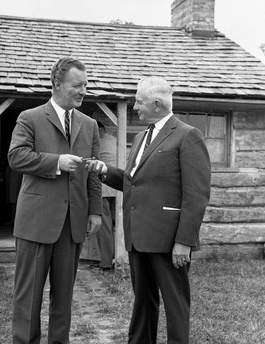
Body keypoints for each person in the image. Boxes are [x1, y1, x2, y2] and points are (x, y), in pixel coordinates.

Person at [86, 76, 211, 343]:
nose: (135, 107)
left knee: (176, 305)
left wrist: (184, 242)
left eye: (139, 101)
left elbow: (197, 194)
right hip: (138, 238)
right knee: (143, 302)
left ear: (156, 104)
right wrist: (106, 171)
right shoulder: (142, 136)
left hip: (168, 240)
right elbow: (134, 181)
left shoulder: (188, 135)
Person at [8, 57, 103, 344]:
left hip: (72, 225)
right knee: (29, 299)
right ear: (57, 84)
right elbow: (16, 156)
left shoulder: (90, 125)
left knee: (64, 299)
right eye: (77, 85)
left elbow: (93, 172)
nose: (83, 90)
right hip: (36, 223)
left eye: (85, 85)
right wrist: (57, 162)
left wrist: (95, 211)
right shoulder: (30, 117)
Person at [91, 121, 117, 270]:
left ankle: (106, 262)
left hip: (103, 188)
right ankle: (115, 258)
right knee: (114, 225)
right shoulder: (115, 140)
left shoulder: (98, 142)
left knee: (104, 227)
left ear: (100, 129)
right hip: (118, 188)